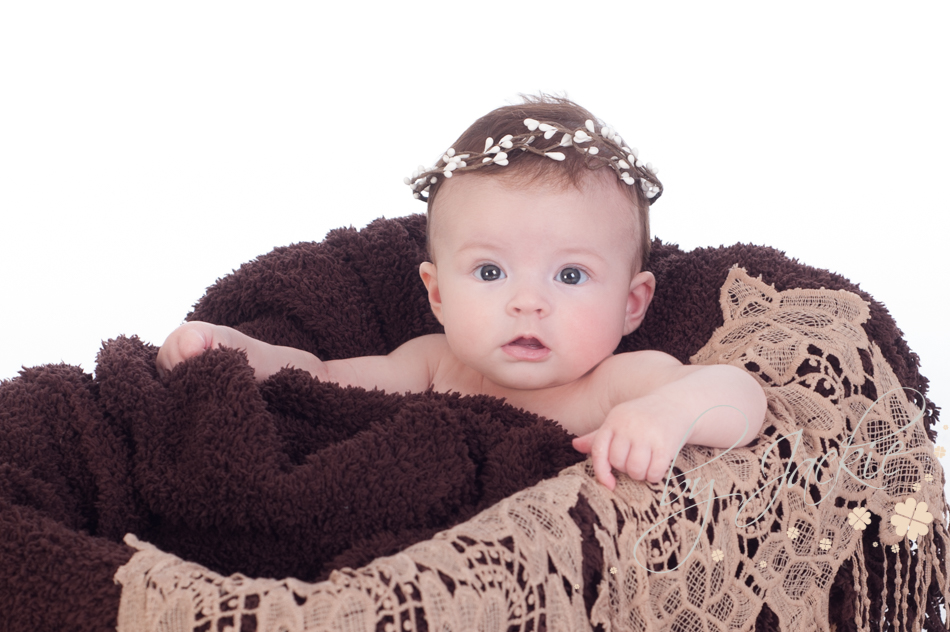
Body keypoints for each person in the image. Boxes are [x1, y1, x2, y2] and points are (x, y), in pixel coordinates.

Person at [157, 95, 767, 490]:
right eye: (491, 272)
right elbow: (320, 378)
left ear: (632, 304)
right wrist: (242, 351)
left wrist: (666, 415)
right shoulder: (432, 364)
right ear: (438, 294)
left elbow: (742, 397)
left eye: (571, 276)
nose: (528, 302)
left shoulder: (620, 383)